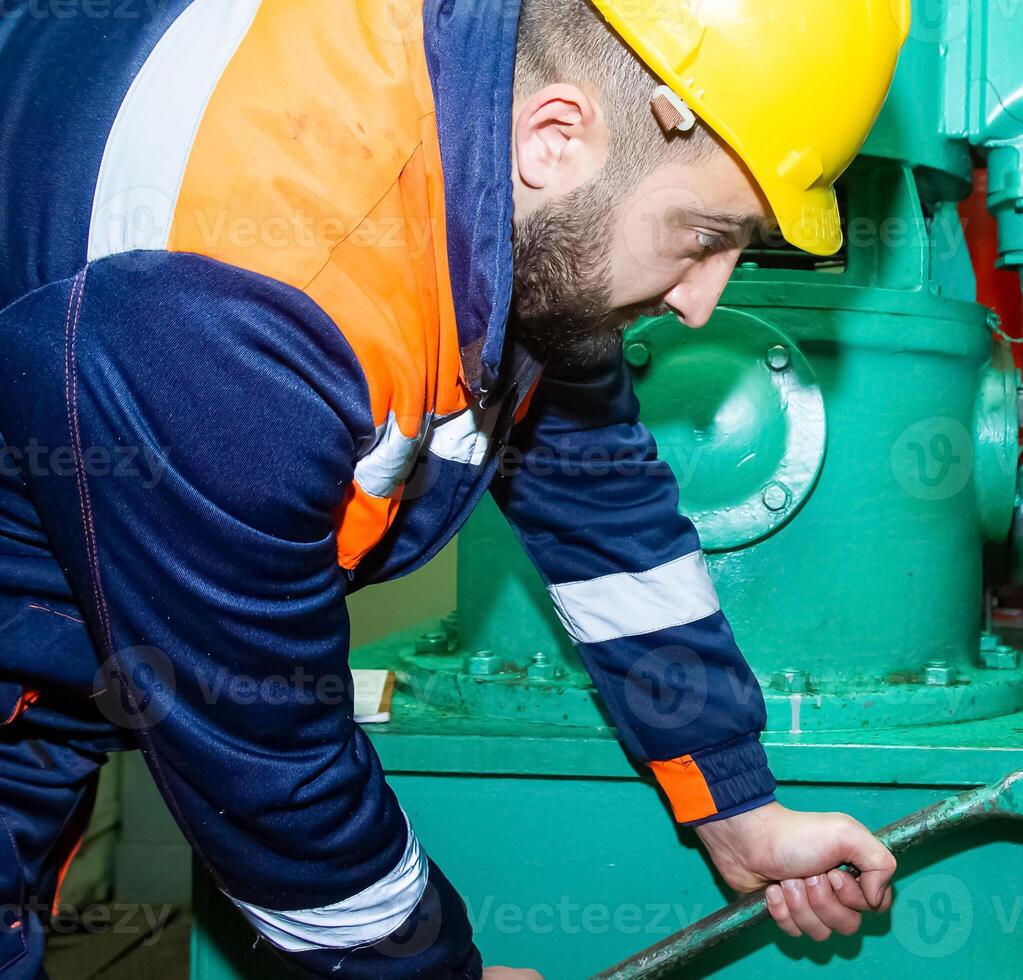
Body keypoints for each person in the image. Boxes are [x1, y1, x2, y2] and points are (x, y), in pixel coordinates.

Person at [0, 0, 910, 975]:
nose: (699, 304)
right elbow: (260, 745)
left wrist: (734, 800)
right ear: (554, 137)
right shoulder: (235, 301)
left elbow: (595, 490)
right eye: (700, 237)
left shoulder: (490, 139)